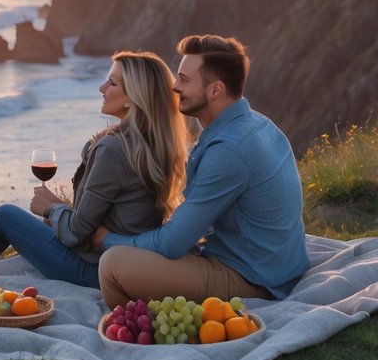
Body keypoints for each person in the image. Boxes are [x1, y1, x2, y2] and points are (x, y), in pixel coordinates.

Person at [0, 51, 187, 290]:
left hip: (92, 269)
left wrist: (52, 207)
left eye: (112, 83)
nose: (101, 87)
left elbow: (77, 232)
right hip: (124, 264)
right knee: (19, 225)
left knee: (5, 217)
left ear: (134, 98)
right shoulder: (157, 144)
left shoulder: (114, 149)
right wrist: (94, 147)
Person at [94, 34, 310, 307]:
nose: (174, 86)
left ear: (215, 90)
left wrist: (106, 239)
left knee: (112, 264)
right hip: (277, 266)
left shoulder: (228, 151)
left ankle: (138, 330)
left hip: (254, 279)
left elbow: (173, 243)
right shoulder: (259, 124)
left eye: (184, 80)